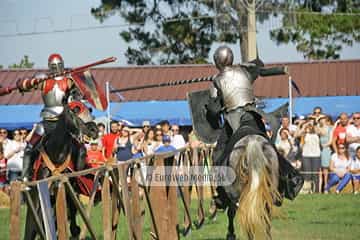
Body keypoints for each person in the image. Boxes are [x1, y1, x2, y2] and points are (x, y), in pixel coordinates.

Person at [206, 46, 302, 205]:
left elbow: (214, 110)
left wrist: (212, 106)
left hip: (233, 120)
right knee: (269, 147)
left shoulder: (216, 81)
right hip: (253, 116)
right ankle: (287, 181)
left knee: (218, 154)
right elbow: (259, 66)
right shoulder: (245, 72)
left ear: (217, 62)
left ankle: (222, 196)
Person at [16, 54, 87, 180]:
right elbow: (24, 86)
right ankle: (26, 177)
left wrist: (77, 90)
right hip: (46, 122)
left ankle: (79, 177)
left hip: (65, 122)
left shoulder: (69, 81)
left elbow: (79, 96)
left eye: (59, 65)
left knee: (81, 148)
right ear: (49, 67)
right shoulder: (43, 80)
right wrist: (25, 83)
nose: (57, 68)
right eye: (54, 66)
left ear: (63, 65)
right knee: (29, 149)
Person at [300, 122, 321, 193]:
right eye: (308, 127)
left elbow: (321, 131)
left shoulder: (317, 134)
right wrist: (304, 126)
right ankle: (307, 190)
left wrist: (314, 124)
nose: (309, 127)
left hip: (316, 155)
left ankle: (316, 191)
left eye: (311, 126)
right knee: (307, 174)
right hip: (306, 155)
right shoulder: (304, 134)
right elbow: (301, 145)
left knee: (315, 174)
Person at [316, 115, 334, 192]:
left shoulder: (330, 128)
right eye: (320, 119)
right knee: (320, 171)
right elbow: (319, 132)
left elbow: (330, 141)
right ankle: (319, 190)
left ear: (325, 119)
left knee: (326, 170)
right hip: (318, 150)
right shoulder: (318, 128)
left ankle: (326, 188)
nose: (321, 120)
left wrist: (324, 145)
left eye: (322, 119)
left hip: (326, 150)